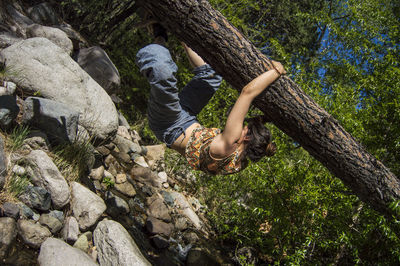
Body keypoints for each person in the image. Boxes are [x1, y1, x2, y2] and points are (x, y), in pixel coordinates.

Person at [136, 24, 286, 175]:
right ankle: (178, 29)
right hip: (186, 118)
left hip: (168, 122)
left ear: (246, 139)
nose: (242, 126)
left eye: (245, 129)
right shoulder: (238, 165)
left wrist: (276, 72)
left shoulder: (230, 142)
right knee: (211, 76)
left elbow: (247, 93)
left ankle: (159, 34)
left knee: (163, 73)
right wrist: (264, 119)